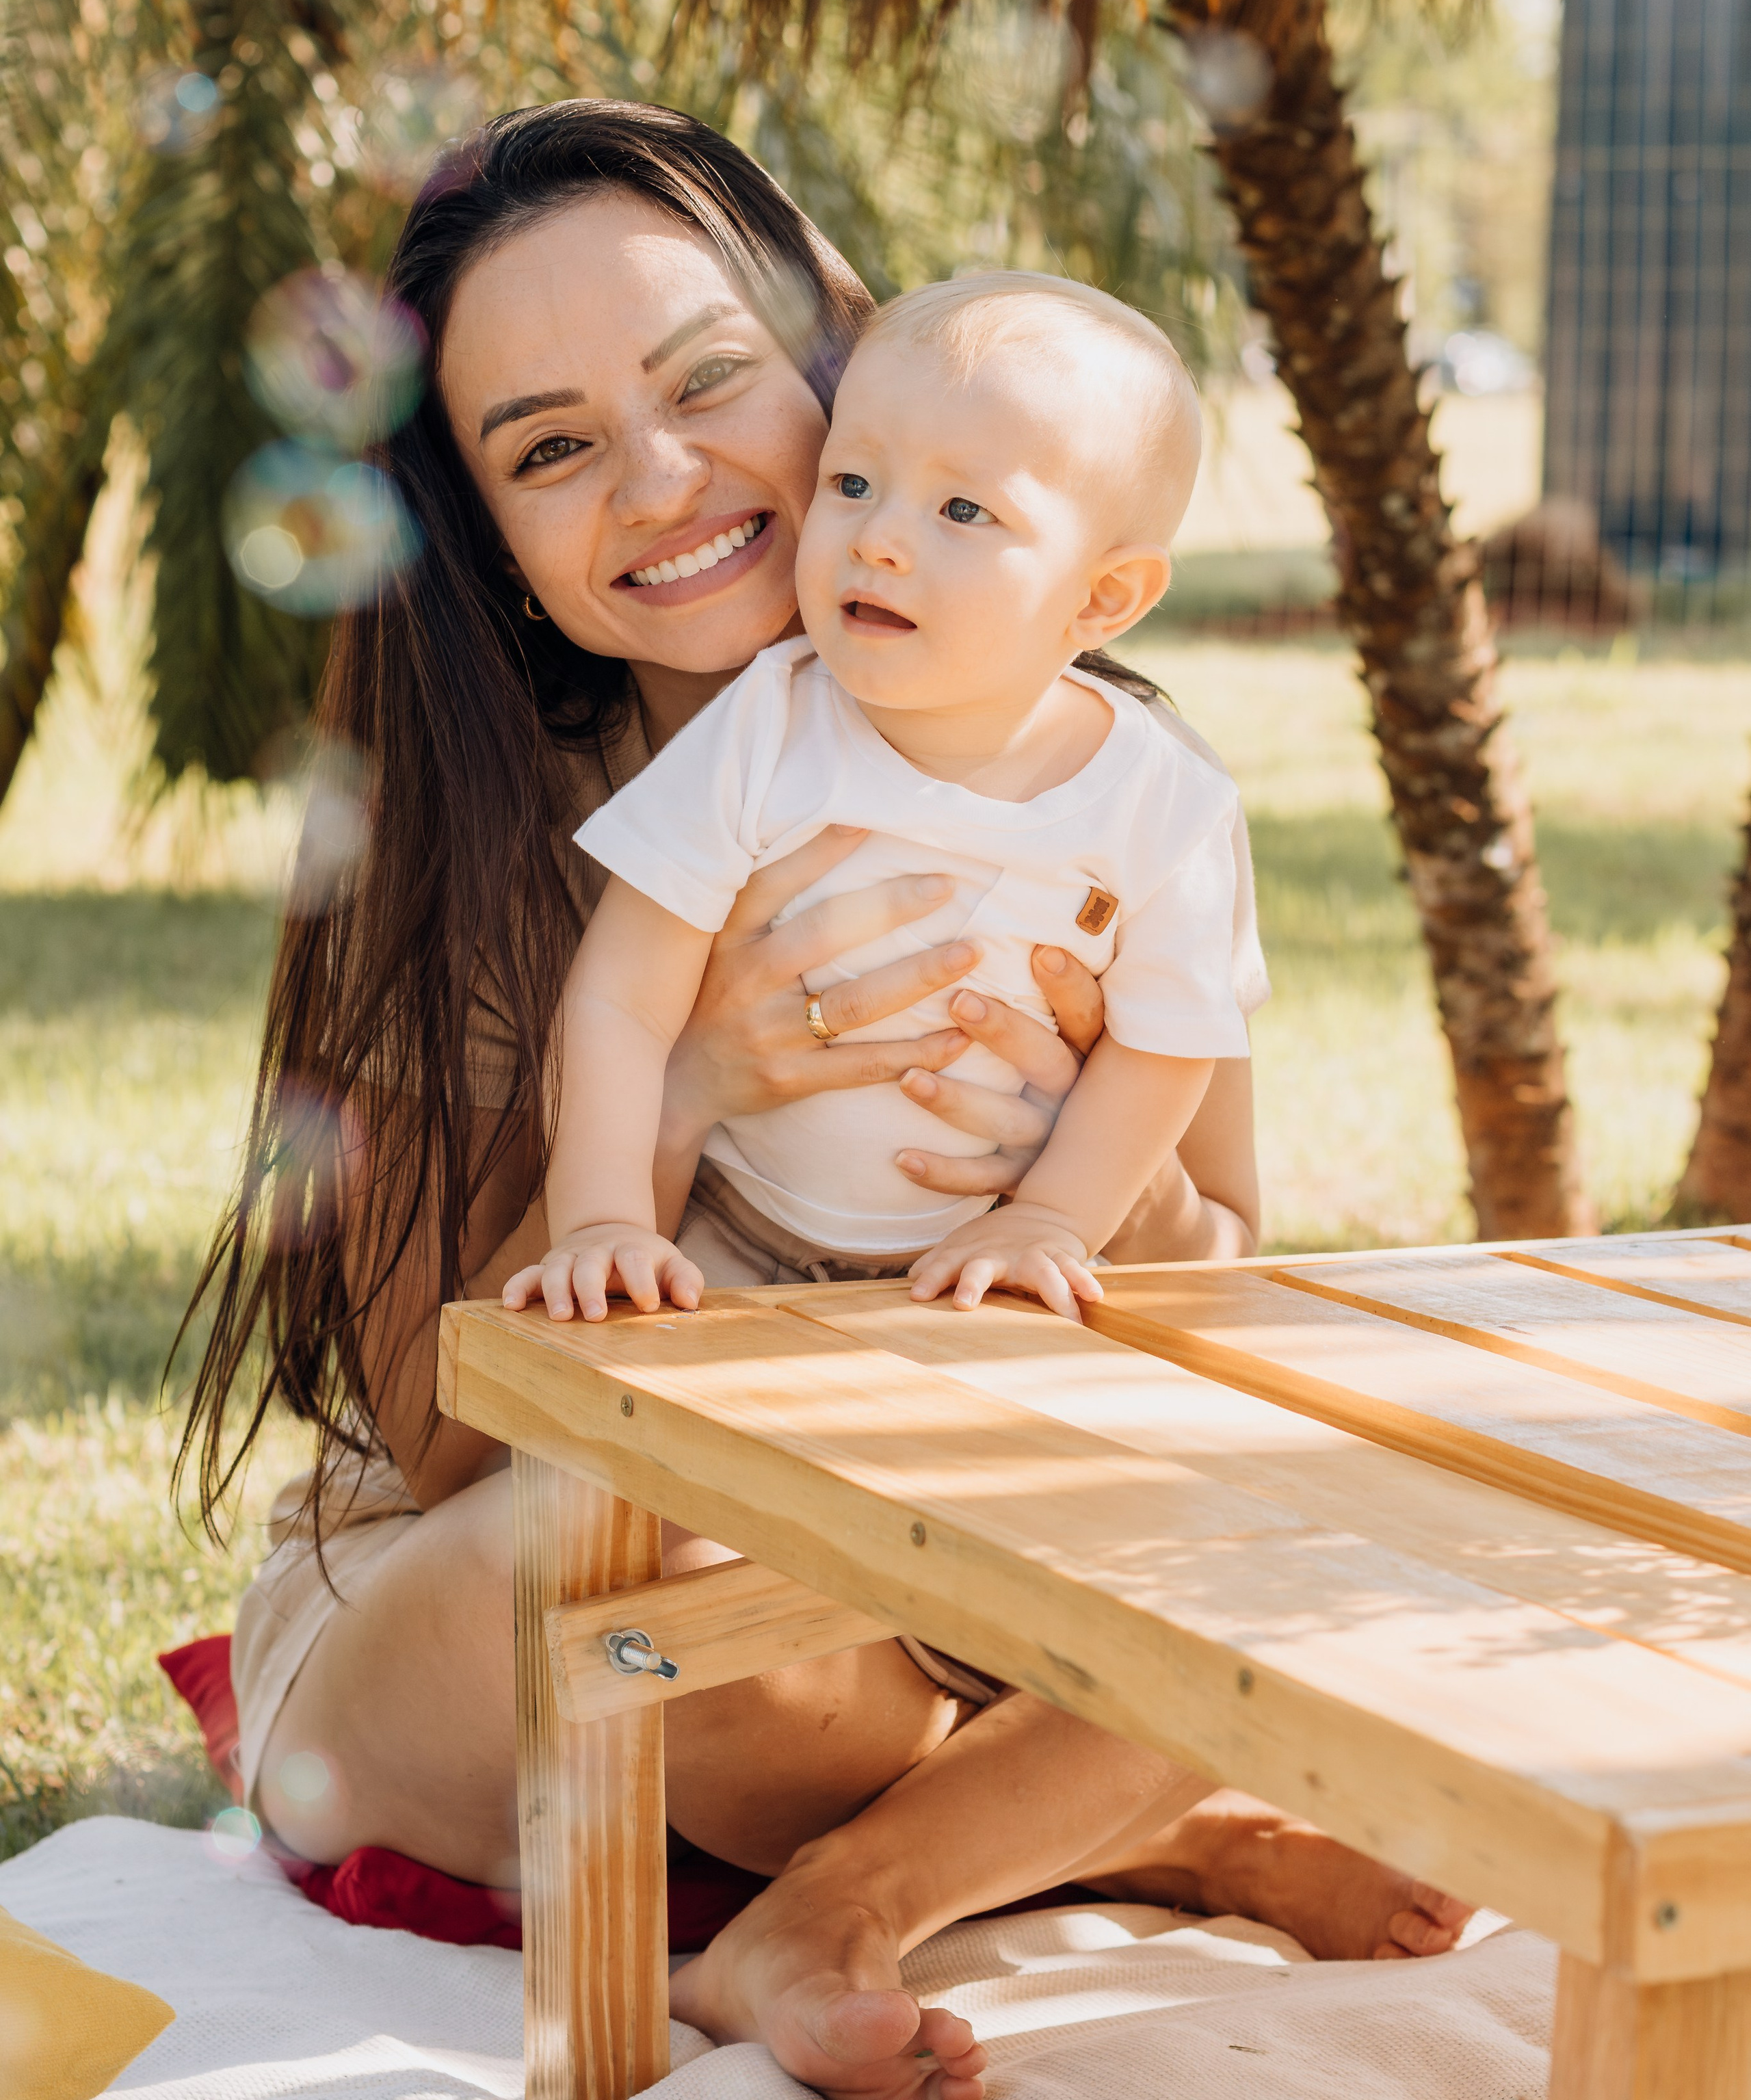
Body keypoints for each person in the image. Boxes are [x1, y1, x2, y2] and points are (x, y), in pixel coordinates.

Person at [182, 101, 1469, 2100]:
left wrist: (1071, 1181)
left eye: (710, 379)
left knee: (1311, 1553)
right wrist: (695, 1083)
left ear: (834, 361)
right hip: (541, 1591)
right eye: (549, 447)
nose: (664, 475)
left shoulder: (1105, 782)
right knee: (670, 1588)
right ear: (497, 547)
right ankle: (1097, 1823)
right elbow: (449, 1443)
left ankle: (844, 1900)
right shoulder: (472, 841)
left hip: (945, 1581)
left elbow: (1221, 1260)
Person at [516, 272, 1248, 1328]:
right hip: (729, 1239)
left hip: (980, 1262)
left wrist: (1051, 1215)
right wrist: (601, 1220)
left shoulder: (1164, 800)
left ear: (1103, 596)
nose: (877, 536)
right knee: (621, 1470)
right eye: (853, 481)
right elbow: (622, 994)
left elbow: (1163, 1044)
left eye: (962, 509)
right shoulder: (767, 726)